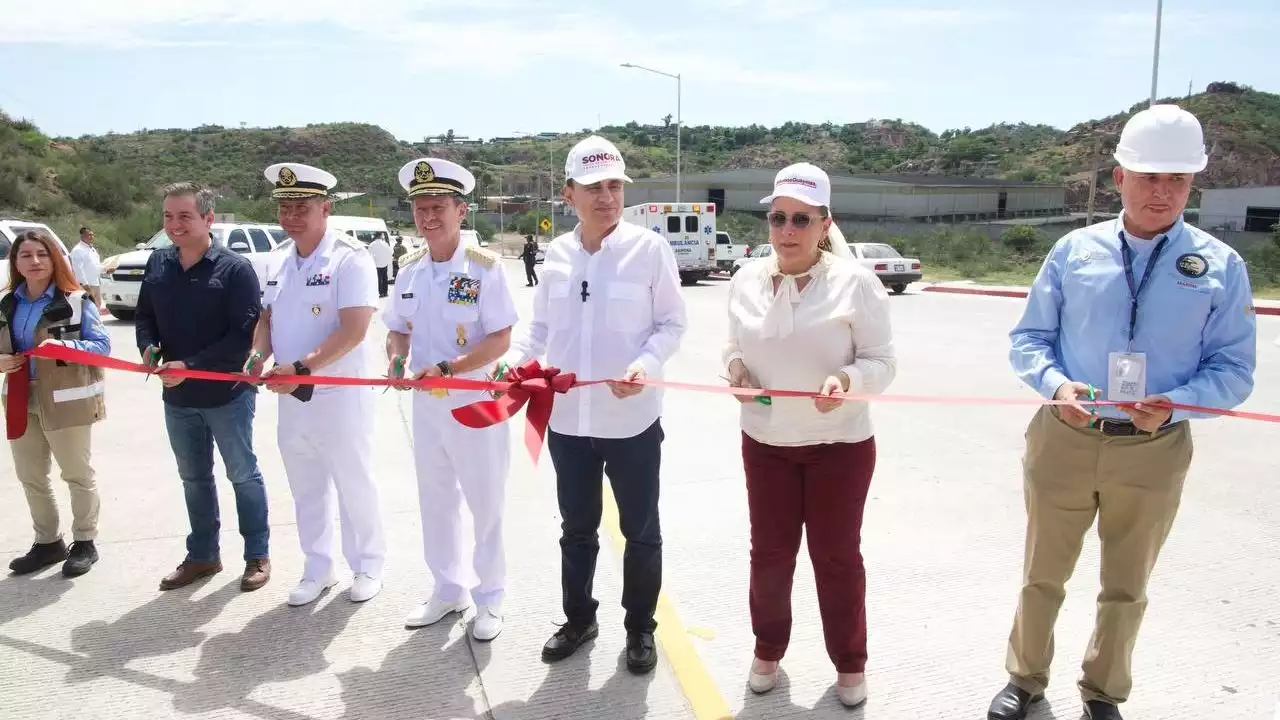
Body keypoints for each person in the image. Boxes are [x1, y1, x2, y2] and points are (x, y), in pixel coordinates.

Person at [989, 105, 1256, 720]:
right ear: (1119, 178)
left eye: (1178, 181)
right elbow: (1029, 339)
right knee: (1042, 573)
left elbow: (1233, 370)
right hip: (1066, 436)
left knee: (1127, 585)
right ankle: (1025, 680)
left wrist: (1176, 405)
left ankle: (1104, 692)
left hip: (1154, 448)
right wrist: (1057, 386)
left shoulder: (1219, 266)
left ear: (1193, 185)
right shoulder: (1073, 251)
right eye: (1148, 177)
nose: (1162, 193)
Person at [496, 135, 687, 673]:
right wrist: (513, 364)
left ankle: (640, 629)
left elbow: (672, 324)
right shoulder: (556, 254)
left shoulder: (649, 250)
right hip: (568, 425)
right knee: (576, 529)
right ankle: (579, 620)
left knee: (640, 533)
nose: (606, 197)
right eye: (593, 187)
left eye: (614, 186)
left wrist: (645, 367)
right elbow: (539, 331)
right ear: (569, 193)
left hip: (631, 422)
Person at [723, 163, 895, 708]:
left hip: (838, 447)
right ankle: (768, 648)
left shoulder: (857, 284)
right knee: (769, 555)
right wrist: (737, 373)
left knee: (836, 556)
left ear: (825, 224)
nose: (788, 230)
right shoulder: (745, 279)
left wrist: (849, 380)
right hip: (766, 442)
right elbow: (731, 347)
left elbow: (882, 362)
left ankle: (850, 662)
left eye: (802, 219)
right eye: (778, 218)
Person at [384, 158, 519, 641]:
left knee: (485, 502)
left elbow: (500, 338)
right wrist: (397, 362)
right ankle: (448, 589)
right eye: (420, 208)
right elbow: (397, 330)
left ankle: (490, 597)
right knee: (436, 499)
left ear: (461, 210)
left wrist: (450, 368)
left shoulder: (483, 267)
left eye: (438, 207)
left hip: (474, 403)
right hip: (426, 406)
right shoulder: (410, 271)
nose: (428, 217)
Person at [244, 162, 386, 607]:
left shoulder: (350, 258)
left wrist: (301, 368)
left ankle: (368, 564)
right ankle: (318, 566)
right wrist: (257, 356)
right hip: (291, 396)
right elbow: (267, 319)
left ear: (325, 207)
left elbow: (354, 329)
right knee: (305, 485)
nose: (292, 215)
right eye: (285, 207)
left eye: (302, 206)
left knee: (352, 482)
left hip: (338, 396)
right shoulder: (277, 260)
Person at [136, 182, 271, 593]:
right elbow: (145, 316)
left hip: (226, 397)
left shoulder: (235, 269)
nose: (174, 225)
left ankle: (257, 556)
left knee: (242, 475)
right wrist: (148, 348)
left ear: (208, 219)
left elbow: (242, 336)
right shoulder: (158, 264)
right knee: (193, 478)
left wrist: (190, 364)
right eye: (168, 216)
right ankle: (203, 555)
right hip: (177, 397)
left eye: (184, 216)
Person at [0, 229, 110, 577]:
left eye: (41, 254)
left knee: (76, 473)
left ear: (54, 259)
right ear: (15, 262)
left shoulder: (75, 301)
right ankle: (48, 542)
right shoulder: (7, 303)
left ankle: (84, 541)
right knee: (30, 474)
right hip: (19, 395)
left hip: (66, 399)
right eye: (25, 255)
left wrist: (66, 349)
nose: (34, 262)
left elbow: (102, 347)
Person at [69, 226, 102, 310]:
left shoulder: (92, 249)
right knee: (87, 308)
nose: (91, 237)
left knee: (97, 306)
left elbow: (95, 265)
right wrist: (85, 284)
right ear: (82, 236)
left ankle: (96, 323)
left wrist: (105, 270)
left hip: (95, 283)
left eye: (92, 235)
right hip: (87, 285)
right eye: (89, 235)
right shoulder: (78, 250)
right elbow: (77, 269)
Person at [369, 233, 393, 298]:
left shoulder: (371, 245)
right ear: (380, 236)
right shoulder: (385, 244)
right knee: (385, 278)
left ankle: (381, 292)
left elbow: (369, 255)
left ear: (375, 237)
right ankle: (385, 292)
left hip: (376, 264)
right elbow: (390, 252)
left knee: (379, 279)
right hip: (384, 263)